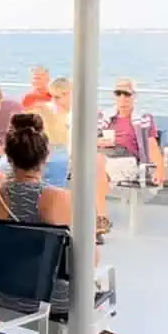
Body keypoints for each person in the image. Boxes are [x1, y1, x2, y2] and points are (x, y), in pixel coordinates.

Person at [0, 113, 93, 334]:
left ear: (8, 156)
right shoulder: (59, 199)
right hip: (46, 299)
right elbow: (87, 260)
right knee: (54, 274)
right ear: (45, 157)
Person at [49, 77, 112, 233]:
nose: (55, 101)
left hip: (76, 157)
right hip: (60, 156)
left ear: (69, 94)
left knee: (96, 166)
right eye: (53, 97)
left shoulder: (84, 114)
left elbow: (101, 138)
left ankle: (99, 218)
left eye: (58, 97)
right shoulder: (54, 114)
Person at [98, 78, 166, 188]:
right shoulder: (105, 118)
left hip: (127, 159)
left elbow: (152, 145)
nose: (122, 98)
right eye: (118, 93)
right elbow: (91, 139)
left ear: (134, 96)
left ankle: (96, 203)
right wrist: (100, 141)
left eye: (126, 94)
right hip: (104, 155)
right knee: (90, 165)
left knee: (98, 170)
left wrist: (160, 169)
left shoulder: (142, 119)